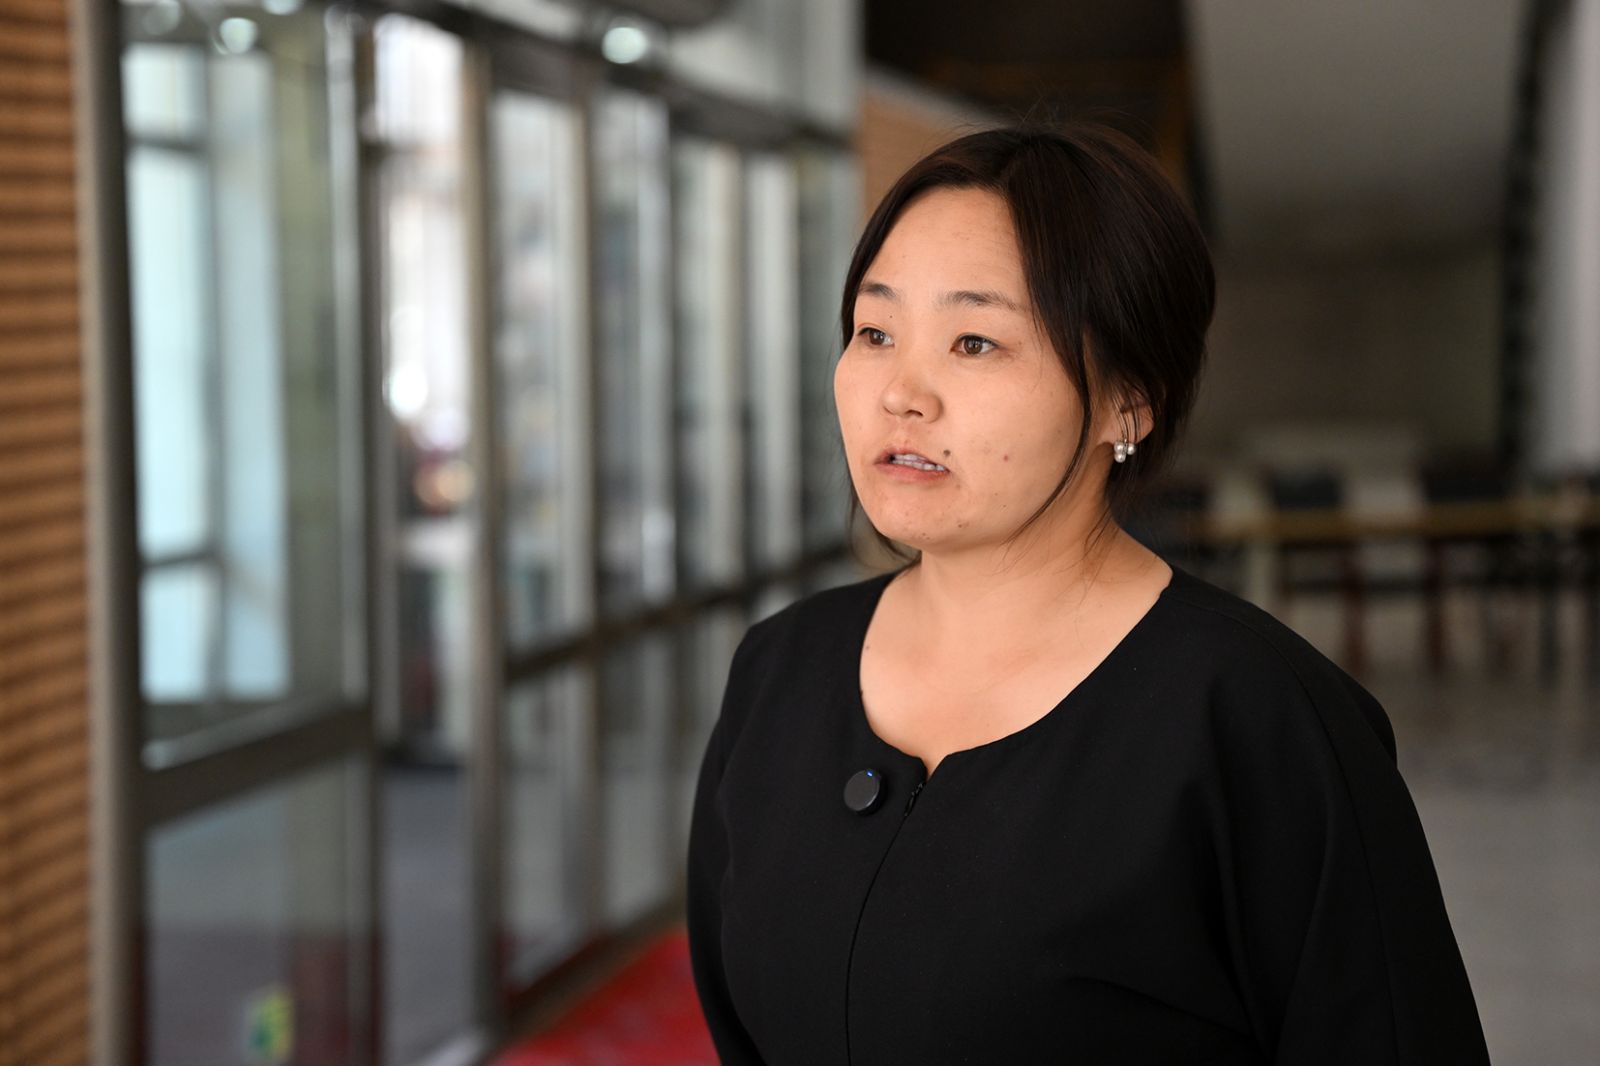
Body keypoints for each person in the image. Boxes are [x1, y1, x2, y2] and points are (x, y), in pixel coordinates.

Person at [685, 120, 1492, 1065]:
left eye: (975, 341)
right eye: (874, 331)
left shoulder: (1260, 721)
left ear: (1128, 399)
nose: (901, 393)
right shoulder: (781, 669)